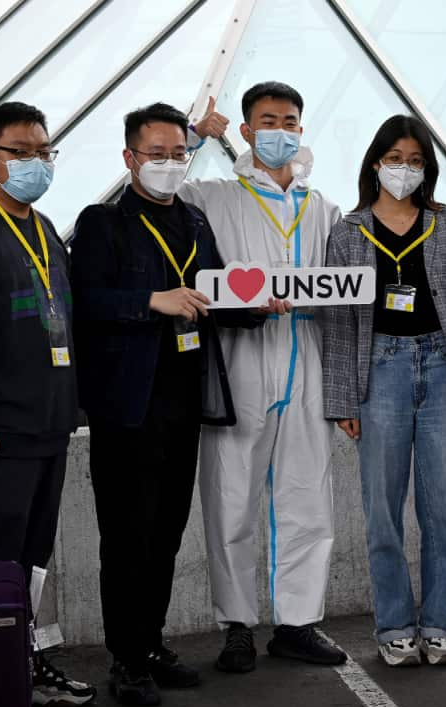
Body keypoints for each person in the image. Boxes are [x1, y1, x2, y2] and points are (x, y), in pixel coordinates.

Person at [70, 102, 289, 706]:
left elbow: (215, 291)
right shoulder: (101, 224)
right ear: (130, 159)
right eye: (156, 154)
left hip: (183, 400)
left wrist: (259, 304)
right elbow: (86, 301)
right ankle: (126, 659)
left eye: (177, 154)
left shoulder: (193, 221)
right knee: (127, 536)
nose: (168, 164)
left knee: (166, 532)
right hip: (125, 408)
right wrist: (151, 301)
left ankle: (151, 642)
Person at [180, 82, 346, 671]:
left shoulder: (324, 207)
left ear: (302, 130)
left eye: (291, 121)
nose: (281, 129)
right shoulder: (213, 195)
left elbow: (348, 284)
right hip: (238, 361)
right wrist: (196, 132)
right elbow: (150, 188)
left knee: (308, 497)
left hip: (307, 360)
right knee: (231, 495)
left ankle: (298, 623)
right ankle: (236, 625)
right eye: (268, 120)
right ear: (245, 131)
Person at [321, 114, 446, 667]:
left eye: (415, 161)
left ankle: (439, 624)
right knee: (382, 510)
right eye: (395, 159)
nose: (404, 170)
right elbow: (339, 322)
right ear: (375, 163)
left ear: (428, 169)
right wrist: (343, 399)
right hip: (380, 372)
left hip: (444, 368)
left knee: (443, 509)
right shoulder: (348, 231)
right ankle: (394, 625)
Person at [0, 101, 96, 707]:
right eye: (22, 151)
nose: (37, 162)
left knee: (31, 560)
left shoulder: (42, 229)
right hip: (0, 433)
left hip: (51, 423)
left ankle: (24, 664)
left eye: (44, 151)